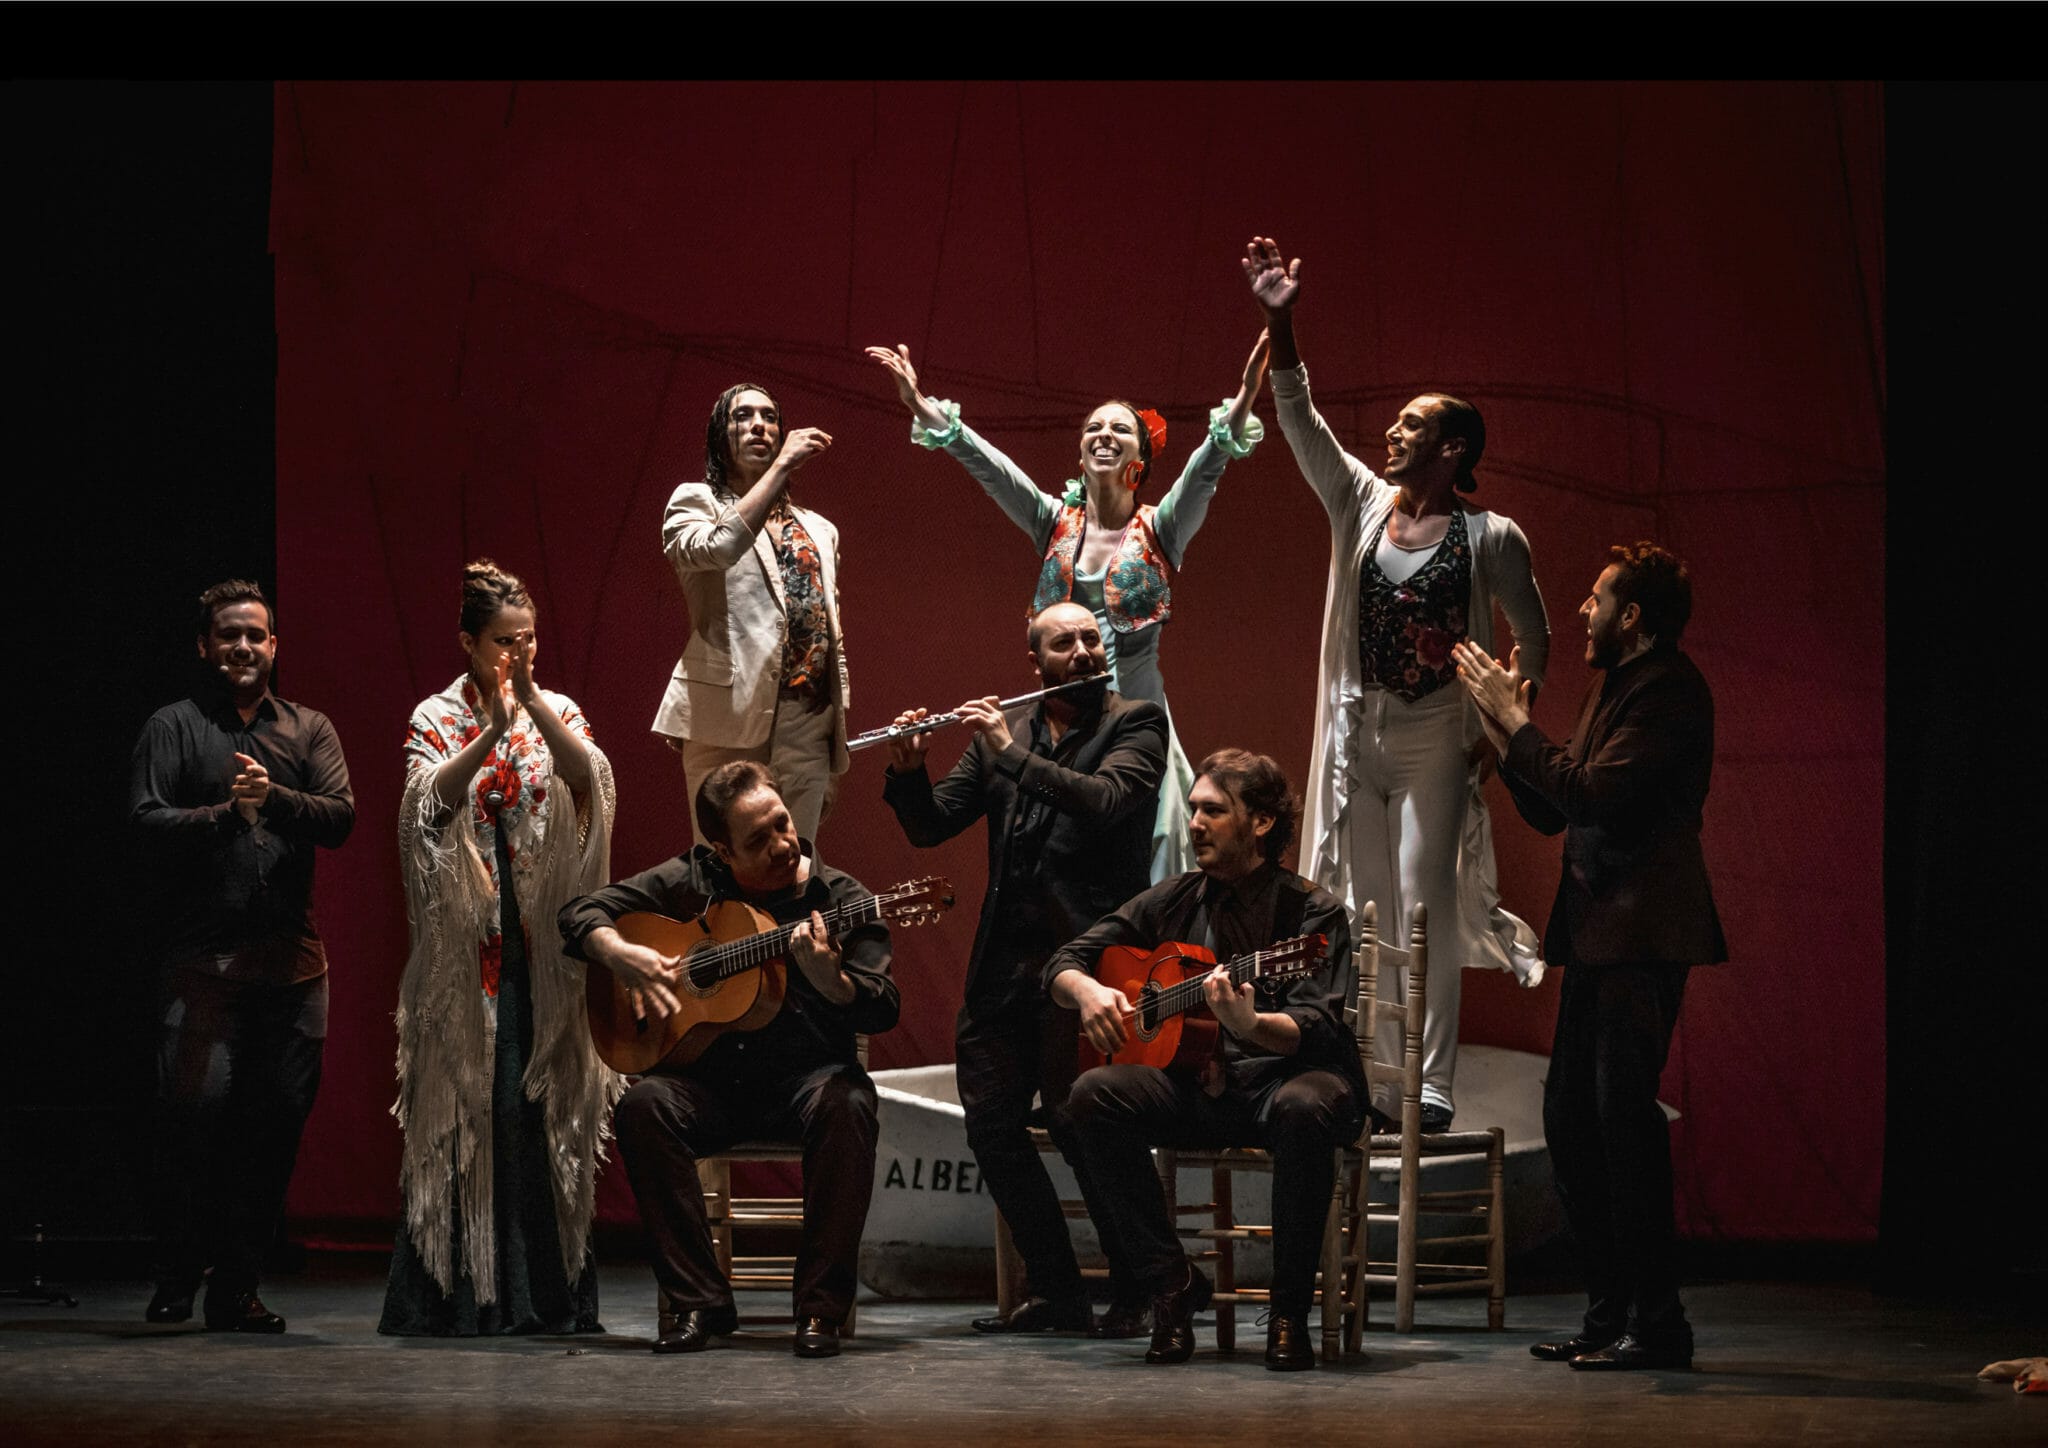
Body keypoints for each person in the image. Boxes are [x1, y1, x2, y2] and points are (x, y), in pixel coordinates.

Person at [1243, 235, 1551, 1134]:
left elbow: (1532, 638)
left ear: (1451, 448)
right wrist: (1281, 323)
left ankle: (1431, 1080)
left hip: (1434, 736)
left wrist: (1505, 729)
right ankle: (1376, 1079)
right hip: (1358, 730)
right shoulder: (1361, 502)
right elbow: (1300, 419)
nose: (1393, 432)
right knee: (1363, 911)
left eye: (1413, 425)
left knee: (1426, 904)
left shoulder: (1492, 537)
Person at [1452, 542, 1724, 1371]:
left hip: (1642, 936)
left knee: (1620, 1124)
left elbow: (1594, 794)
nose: (1582, 610)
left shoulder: (1670, 690)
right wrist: (1503, 738)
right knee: (1573, 1122)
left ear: (1631, 616)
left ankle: (1658, 1325)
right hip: (1601, 937)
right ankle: (1610, 1316)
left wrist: (1516, 725)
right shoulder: (1617, 686)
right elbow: (1556, 808)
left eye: (1597, 599)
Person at [865, 336, 1268, 882]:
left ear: (1141, 458)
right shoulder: (1054, 522)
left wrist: (1245, 395)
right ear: (1080, 455)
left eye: (1120, 428)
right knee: (1063, 854)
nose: (1104, 434)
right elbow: (990, 469)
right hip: (1066, 718)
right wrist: (920, 404)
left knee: (1145, 858)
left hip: (1136, 720)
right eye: (1093, 427)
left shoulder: (1161, 528)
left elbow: (1206, 468)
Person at [881, 601, 1167, 1338]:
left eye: (1090, 639)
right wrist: (908, 769)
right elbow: (930, 825)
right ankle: (1056, 1291)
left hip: (1087, 968)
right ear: (1034, 662)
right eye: (1063, 643)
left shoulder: (1135, 724)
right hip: (1004, 968)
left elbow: (1105, 801)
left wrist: (1009, 754)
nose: (1082, 651)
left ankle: (1141, 1286)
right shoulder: (1007, 735)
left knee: (1081, 1127)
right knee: (992, 1130)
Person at [560, 761, 900, 1359]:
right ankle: (699, 1303)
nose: (782, 845)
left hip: (808, 1083)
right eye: (758, 839)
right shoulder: (694, 879)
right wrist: (619, 954)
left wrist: (836, 982)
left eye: (782, 824)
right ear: (722, 850)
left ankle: (819, 1311)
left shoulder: (842, 899)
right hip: (711, 1087)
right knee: (644, 1106)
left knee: (849, 1104)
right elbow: (578, 913)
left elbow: (884, 1006)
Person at [1048, 751, 1362, 1371]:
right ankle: (1172, 1284)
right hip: (1203, 1088)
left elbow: (1318, 1024)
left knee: (1305, 1108)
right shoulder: (1175, 898)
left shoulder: (1310, 913)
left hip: (1286, 1084)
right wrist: (1086, 992)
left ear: (1262, 823)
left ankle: (1288, 1314)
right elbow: (1067, 959)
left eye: (1213, 811)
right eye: (1192, 809)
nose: (1194, 824)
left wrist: (1251, 1025)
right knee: (1092, 1094)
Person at [380, 560, 622, 1336]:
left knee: (540, 1116)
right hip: (467, 954)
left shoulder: (560, 708)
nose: (519, 652)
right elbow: (423, 810)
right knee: (471, 1114)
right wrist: (488, 731)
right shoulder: (436, 716)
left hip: (542, 954)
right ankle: (463, 1299)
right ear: (468, 642)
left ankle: (544, 1297)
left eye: (529, 638)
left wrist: (532, 708)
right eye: (503, 641)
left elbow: (591, 780)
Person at [131, 579, 355, 1332]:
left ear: (275, 645)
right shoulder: (174, 726)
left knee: (273, 1129)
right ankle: (176, 1276)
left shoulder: (309, 728)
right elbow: (146, 820)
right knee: (192, 1122)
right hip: (203, 969)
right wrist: (232, 815)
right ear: (205, 646)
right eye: (229, 634)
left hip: (291, 967)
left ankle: (237, 1288)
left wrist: (274, 800)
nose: (244, 646)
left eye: (256, 634)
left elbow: (341, 816)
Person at [653, 383, 849, 844]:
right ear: (719, 435)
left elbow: (829, 626)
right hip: (727, 716)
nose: (759, 425)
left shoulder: (819, 528)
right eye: (742, 416)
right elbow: (720, 549)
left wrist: (832, 739)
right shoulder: (695, 502)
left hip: (808, 720)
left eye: (769, 417)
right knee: (722, 862)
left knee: (797, 862)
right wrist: (781, 468)